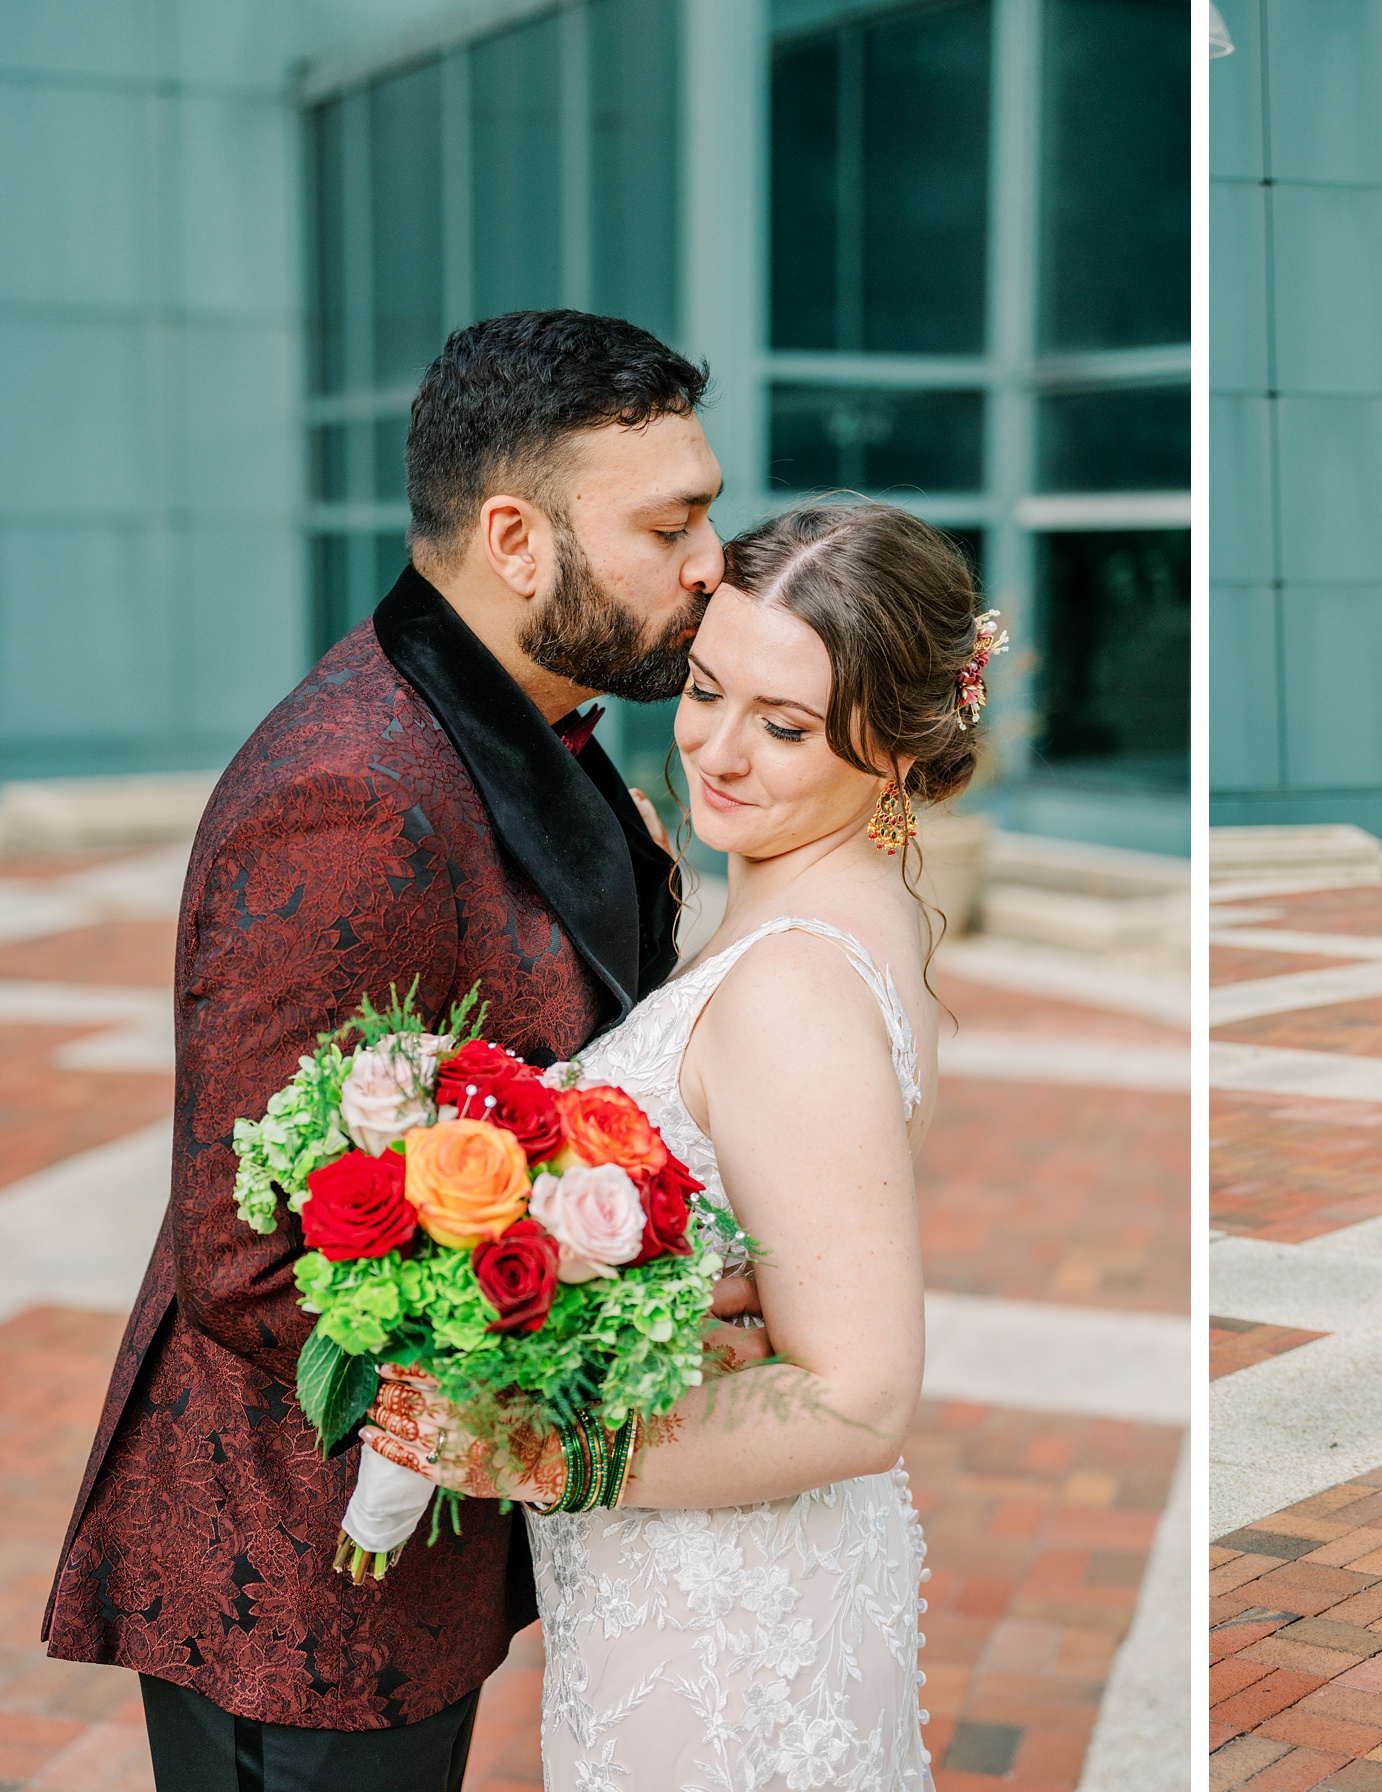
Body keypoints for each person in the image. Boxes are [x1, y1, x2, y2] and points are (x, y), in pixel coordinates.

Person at [46, 311, 725, 1790]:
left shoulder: (538, 724)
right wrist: (561, 1364)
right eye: (670, 524)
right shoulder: (353, 791)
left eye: (709, 514)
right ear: (516, 539)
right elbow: (249, 1253)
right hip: (297, 1587)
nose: (709, 562)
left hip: (421, 1553)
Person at [363, 501, 995, 1789]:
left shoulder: (793, 987)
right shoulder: (837, 913)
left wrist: (542, 1442)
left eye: (786, 726)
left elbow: (858, 1393)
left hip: (723, 1611)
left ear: (897, 746)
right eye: (707, 689)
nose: (715, 747)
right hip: (717, 1565)